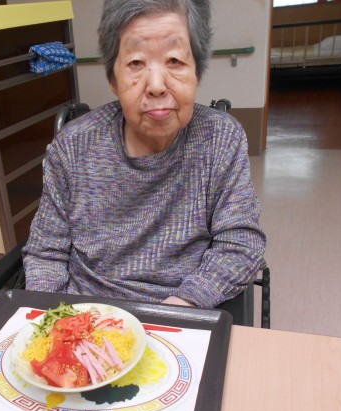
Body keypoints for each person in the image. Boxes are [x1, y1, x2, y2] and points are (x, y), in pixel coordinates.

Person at [22, 0, 266, 308]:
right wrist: (57, 320)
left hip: (181, 310)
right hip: (85, 313)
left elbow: (240, 244)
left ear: (197, 71)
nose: (156, 85)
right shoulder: (73, 146)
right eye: (136, 63)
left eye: (175, 61)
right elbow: (45, 253)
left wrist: (181, 307)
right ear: (113, 79)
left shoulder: (220, 139)